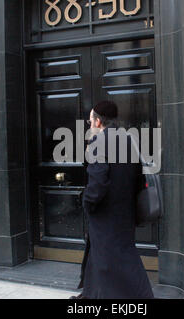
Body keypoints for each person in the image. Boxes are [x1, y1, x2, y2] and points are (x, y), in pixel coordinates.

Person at [70, 101, 154, 299]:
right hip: (124, 212)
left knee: (116, 259)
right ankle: (91, 294)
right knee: (106, 256)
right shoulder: (127, 139)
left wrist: (88, 203)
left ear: (98, 122)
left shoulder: (99, 142)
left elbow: (98, 180)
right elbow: (137, 176)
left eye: (90, 120)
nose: (89, 124)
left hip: (105, 214)